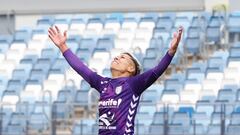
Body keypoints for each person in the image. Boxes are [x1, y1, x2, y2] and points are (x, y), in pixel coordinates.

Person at [48, 25, 183, 135]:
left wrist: (171, 52)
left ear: (131, 68)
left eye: (123, 58)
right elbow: (81, 68)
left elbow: (156, 71)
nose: (117, 58)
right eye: (117, 56)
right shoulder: (103, 84)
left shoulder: (134, 84)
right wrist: (62, 46)